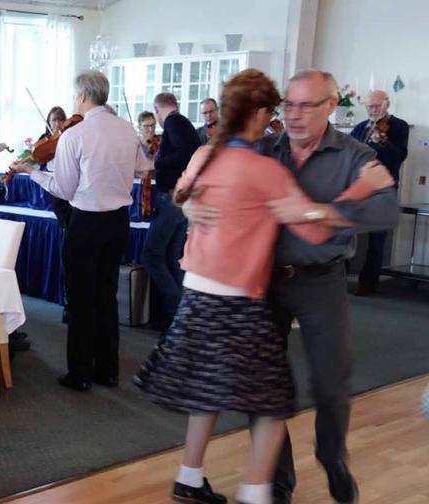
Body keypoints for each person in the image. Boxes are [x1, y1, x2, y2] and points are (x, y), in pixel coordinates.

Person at [135, 68, 391, 504]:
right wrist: (356, 193)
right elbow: (304, 227)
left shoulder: (208, 155)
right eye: (283, 106)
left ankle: (200, 476)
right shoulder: (264, 159)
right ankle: (264, 490)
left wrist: (194, 204)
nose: (288, 115)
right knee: (270, 399)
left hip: (254, 287)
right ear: (261, 113)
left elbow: (180, 191)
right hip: (250, 291)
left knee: (230, 388)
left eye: (302, 105)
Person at [11, 70, 151, 392]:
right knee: (105, 297)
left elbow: (63, 188)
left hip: (86, 221)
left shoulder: (75, 135)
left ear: (83, 96)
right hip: (118, 221)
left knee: (80, 299)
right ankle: (108, 371)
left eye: (76, 95)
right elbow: (144, 168)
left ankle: (80, 374)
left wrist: (33, 172)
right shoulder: (127, 129)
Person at [144, 92, 202, 331]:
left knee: (152, 255)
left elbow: (186, 153)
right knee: (171, 257)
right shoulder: (182, 122)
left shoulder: (173, 122)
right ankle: (181, 316)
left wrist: (155, 163)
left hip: (172, 197)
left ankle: (179, 313)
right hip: (180, 198)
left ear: (158, 110)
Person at [349, 90, 409, 296]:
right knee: (348, 233)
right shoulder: (359, 128)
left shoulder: (399, 127)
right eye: (370, 107)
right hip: (359, 187)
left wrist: (382, 139)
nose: (373, 111)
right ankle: (341, 279)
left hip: (383, 189)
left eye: (377, 106)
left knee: (377, 241)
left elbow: (398, 157)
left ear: (387, 105)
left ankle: (368, 282)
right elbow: (350, 156)